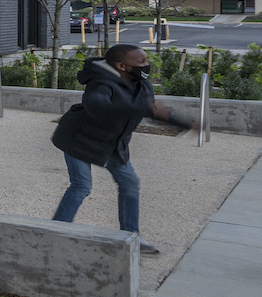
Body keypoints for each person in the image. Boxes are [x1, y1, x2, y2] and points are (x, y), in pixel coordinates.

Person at [52, 42, 189, 253]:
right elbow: (99, 106)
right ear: (121, 66)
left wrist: (187, 124)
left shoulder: (142, 84)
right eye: (141, 61)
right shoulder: (100, 83)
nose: (147, 65)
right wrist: (140, 107)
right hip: (77, 139)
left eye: (146, 60)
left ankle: (131, 236)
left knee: (130, 182)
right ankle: (54, 233)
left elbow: (152, 111)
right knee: (81, 185)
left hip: (112, 143)